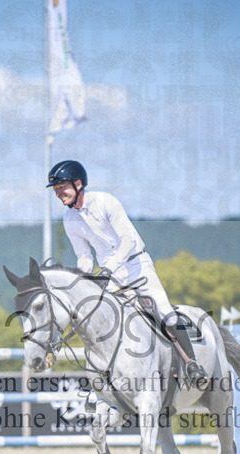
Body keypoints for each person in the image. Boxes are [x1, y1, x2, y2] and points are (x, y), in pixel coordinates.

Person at [47, 160, 206, 385]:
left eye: (62, 187)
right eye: (56, 190)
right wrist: (84, 278)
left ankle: (192, 363)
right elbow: (84, 255)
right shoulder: (69, 219)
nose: (58, 193)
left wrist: (109, 268)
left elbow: (127, 240)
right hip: (108, 275)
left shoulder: (106, 202)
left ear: (79, 183)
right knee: (95, 320)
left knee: (166, 314)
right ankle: (101, 381)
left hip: (135, 265)